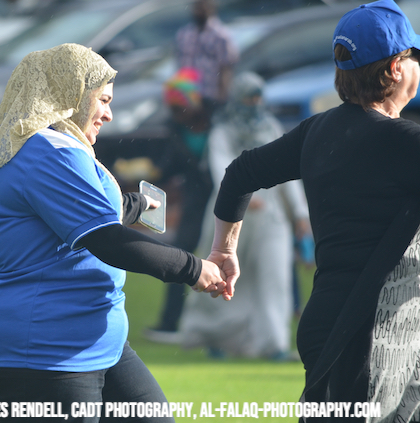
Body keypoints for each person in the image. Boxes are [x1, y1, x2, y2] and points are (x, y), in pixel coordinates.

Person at [0, 43, 227, 422]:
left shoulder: (45, 147)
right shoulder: (51, 153)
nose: (108, 113)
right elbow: (105, 239)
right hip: (42, 352)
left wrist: (137, 204)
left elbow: (85, 210)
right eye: (102, 100)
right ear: (70, 93)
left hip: (94, 345)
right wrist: (193, 268)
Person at [205, 1, 420, 419]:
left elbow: (239, 173)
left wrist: (224, 249)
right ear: (396, 67)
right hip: (372, 335)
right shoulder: (404, 143)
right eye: (413, 56)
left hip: (331, 322)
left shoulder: (316, 131)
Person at [179, 72, 311, 360]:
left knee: (274, 276)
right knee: (222, 276)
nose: (254, 103)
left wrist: (300, 213)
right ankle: (215, 336)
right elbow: (221, 166)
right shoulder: (223, 131)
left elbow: (288, 171)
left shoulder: (270, 127)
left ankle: (273, 343)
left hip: (270, 215)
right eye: (249, 97)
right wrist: (240, 196)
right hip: (229, 215)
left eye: (257, 97)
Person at [145, 0, 239, 343]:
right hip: (197, 198)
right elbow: (166, 167)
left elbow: (225, 72)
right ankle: (171, 322)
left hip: (222, 202)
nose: (177, 115)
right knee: (183, 251)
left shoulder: (220, 129)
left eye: (180, 109)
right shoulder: (179, 131)